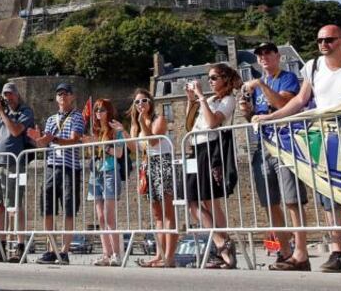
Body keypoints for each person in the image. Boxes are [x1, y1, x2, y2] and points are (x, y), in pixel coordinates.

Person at [255, 25, 341, 274]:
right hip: (328, 138)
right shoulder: (313, 67)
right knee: (331, 198)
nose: (324, 44)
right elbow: (300, 100)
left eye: (329, 40)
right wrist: (273, 118)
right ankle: (337, 253)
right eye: (319, 40)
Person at [237, 42, 309, 271]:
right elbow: (256, 117)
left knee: (292, 201)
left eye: (268, 52)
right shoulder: (258, 86)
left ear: (277, 56)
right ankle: (285, 251)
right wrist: (247, 112)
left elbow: (283, 104)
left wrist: (259, 84)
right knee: (270, 202)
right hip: (262, 145)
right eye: (259, 54)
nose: (264, 57)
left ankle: (301, 252)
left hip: (285, 143)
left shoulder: (287, 78)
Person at [184, 63, 240, 269]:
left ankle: (221, 246)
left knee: (207, 201)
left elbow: (212, 123)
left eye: (214, 78)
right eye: (209, 78)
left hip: (210, 149)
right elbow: (190, 125)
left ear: (225, 79)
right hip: (196, 149)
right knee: (195, 201)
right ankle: (222, 244)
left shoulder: (228, 100)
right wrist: (192, 100)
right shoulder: (209, 99)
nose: (210, 81)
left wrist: (200, 97)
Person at [27, 82, 86, 265]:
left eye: (65, 93)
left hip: (69, 167)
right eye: (59, 94)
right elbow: (43, 143)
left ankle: (65, 251)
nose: (62, 97)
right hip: (52, 166)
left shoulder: (77, 116)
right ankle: (51, 249)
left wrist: (54, 139)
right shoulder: (51, 119)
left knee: (69, 210)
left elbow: (75, 140)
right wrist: (38, 139)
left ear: (72, 96)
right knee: (47, 209)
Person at [0, 82, 35, 263]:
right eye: (5, 94)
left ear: (18, 95)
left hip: (15, 164)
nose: (7, 97)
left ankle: (20, 247)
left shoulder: (25, 112)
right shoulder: (2, 114)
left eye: (11, 94)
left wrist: (3, 113)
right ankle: (0, 246)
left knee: (15, 206)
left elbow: (15, 131)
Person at [130, 88, 177, 268]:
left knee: (168, 213)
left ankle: (169, 256)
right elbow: (136, 149)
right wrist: (125, 133)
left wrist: (142, 122)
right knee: (157, 214)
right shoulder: (136, 124)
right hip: (148, 165)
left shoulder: (159, 119)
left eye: (144, 101)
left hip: (163, 163)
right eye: (137, 102)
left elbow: (153, 141)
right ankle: (159, 255)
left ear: (150, 102)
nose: (141, 104)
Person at [85, 98, 127, 267]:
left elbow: (119, 153)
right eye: (96, 110)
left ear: (108, 111)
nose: (98, 113)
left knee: (109, 217)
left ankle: (116, 254)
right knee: (100, 217)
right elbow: (92, 154)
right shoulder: (96, 131)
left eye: (101, 110)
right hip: (96, 173)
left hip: (110, 171)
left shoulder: (115, 129)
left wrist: (103, 146)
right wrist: (90, 145)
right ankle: (106, 254)